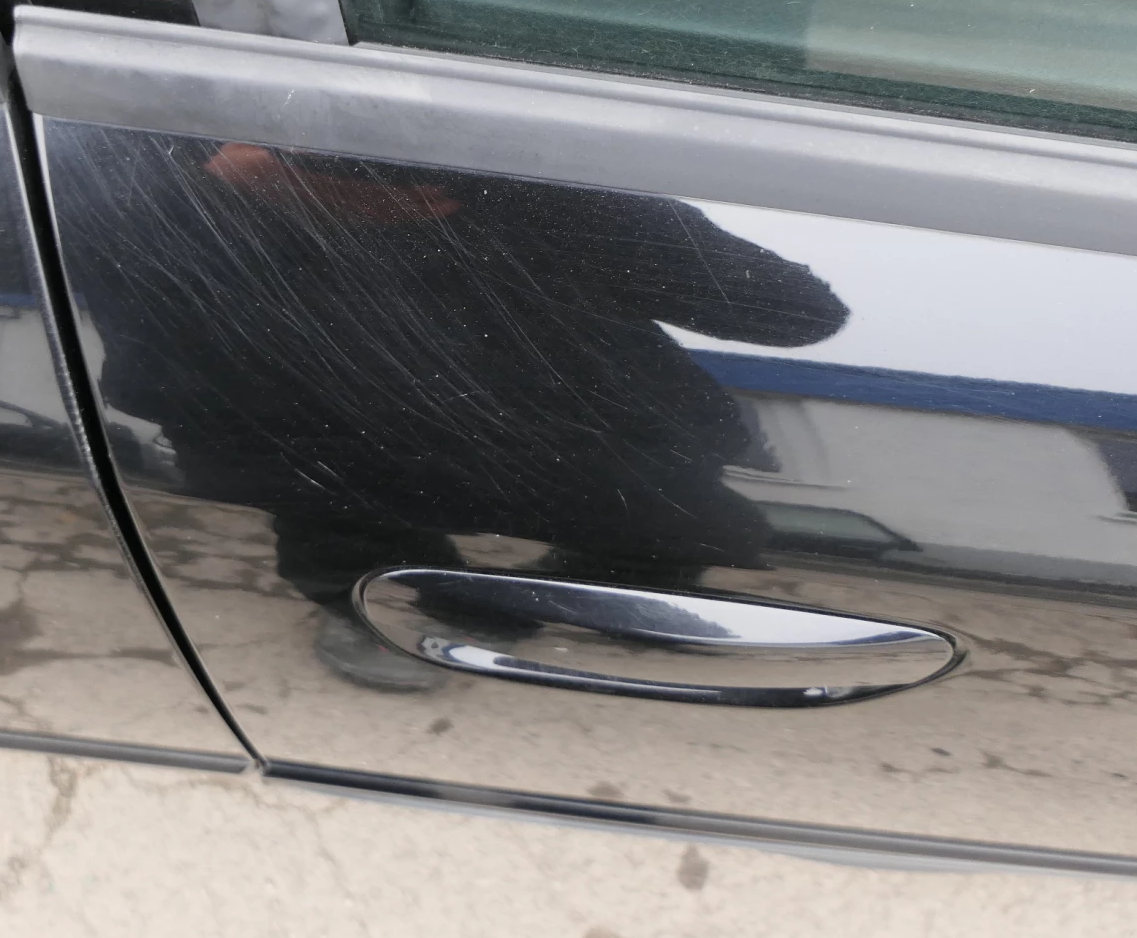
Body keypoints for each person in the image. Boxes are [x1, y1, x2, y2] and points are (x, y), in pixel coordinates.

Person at [45, 126, 848, 690]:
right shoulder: (145, 163)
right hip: (333, 465)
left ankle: (593, 583)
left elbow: (798, 313)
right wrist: (193, 178)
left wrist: (505, 189)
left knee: (689, 527)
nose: (360, 166)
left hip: (595, 451)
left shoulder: (526, 175)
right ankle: (382, 596)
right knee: (305, 476)